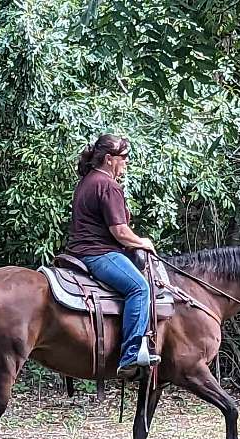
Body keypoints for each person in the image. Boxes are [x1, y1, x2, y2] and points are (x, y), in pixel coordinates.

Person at [66, 133, 160, 380]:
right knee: (139, 288)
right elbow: (119, 232)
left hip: (79, 252)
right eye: (124, 158)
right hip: (98, 254)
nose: (126, 163)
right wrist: (143, 242)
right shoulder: (108, 185)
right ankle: (130, 356)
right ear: (109, 159)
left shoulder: (88, 181)